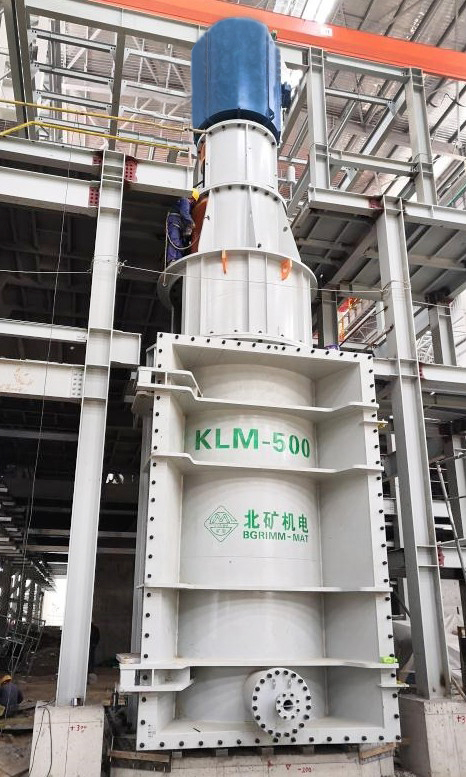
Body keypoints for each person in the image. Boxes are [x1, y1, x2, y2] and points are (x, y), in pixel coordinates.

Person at [165, 189, 200, 264]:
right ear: (192, 198)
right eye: (193, 201)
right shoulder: (185, 199)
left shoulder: (184, 202)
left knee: (179, 242)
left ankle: (178, 260)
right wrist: (191, 223)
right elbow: (184, 213)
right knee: (175, 239)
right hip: (175, 219)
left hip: (178, 221)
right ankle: (172, 259)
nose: (193, 203)